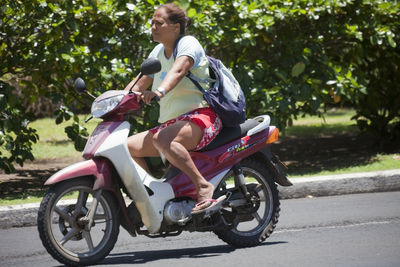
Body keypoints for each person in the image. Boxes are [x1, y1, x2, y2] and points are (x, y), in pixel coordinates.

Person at [124, 3, 222, 213]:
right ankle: (151, 195)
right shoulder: (158, 51)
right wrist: (117, 101)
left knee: (163, 139)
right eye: (152, 23)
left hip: (201, 116)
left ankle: (203, 186)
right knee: (125, 147)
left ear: (176, 27)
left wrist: (159, 92)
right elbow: (140, 81)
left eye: (158, 23)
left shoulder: (188, 43)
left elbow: (178, 71)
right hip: (171, 124)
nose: (153, 27)